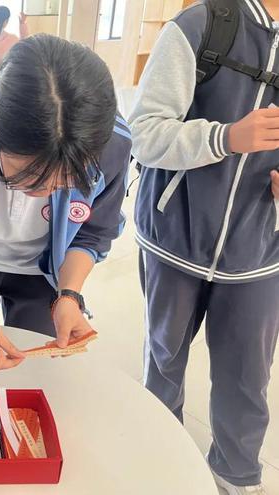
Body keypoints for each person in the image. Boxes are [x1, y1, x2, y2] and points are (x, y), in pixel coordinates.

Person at [129, 0, 279, 493]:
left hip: (261, 254)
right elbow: (143, 133)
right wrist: (226, 137)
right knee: (164, 360)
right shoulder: (202, 25)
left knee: (248, 379)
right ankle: (160, 457)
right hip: (175, 239)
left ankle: (237, 478)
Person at [0, 34, 132, 372]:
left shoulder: (111, 144)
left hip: (45, 271)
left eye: (65, 180)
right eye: (27, 175)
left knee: (36, 368)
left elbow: (94, 231)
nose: (44, 190)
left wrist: (69, 294)